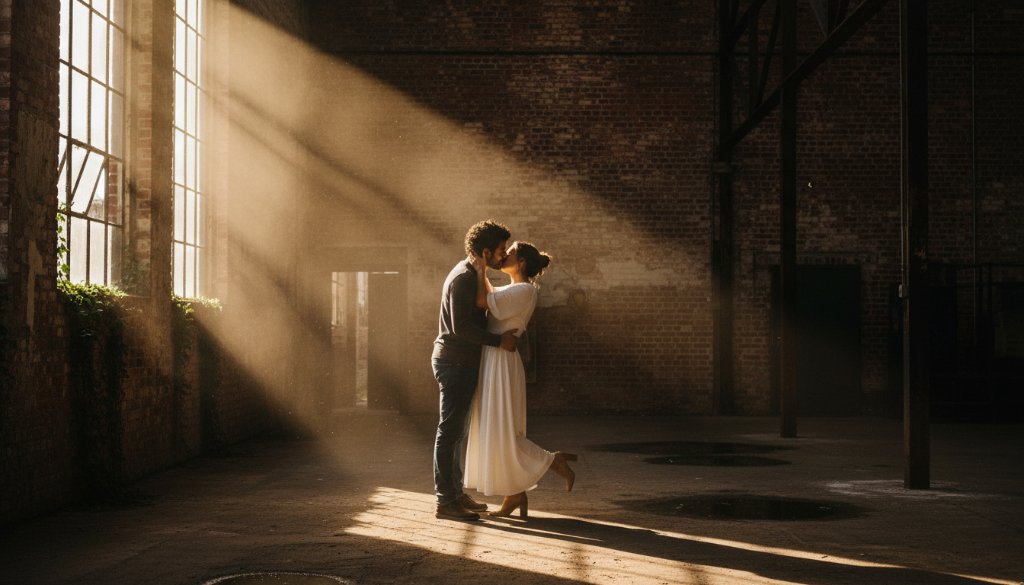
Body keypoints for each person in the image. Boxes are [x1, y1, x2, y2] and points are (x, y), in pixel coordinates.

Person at [463, 241, 576, 519]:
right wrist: (483, 264)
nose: (506, 256)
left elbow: (481, 300)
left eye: (510, 253)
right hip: (494, 359)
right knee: (496, 429)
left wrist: (481, 268)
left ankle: (553, 461)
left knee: (502, 430)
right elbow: (488, 292)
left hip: (501, 361)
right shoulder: (511, 289)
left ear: (522, 262)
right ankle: (515, 494)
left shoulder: (524, 290)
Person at [432, 220, 520, 521]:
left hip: (461, 362)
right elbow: (461, 327)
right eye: (499, 251)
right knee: (450, 431)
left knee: (458, 432)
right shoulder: (464, 278)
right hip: (454, 361)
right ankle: (446, 501)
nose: (503, 255)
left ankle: (455, 494)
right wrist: (499, 341)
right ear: (484, 252)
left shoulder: (473, 273)